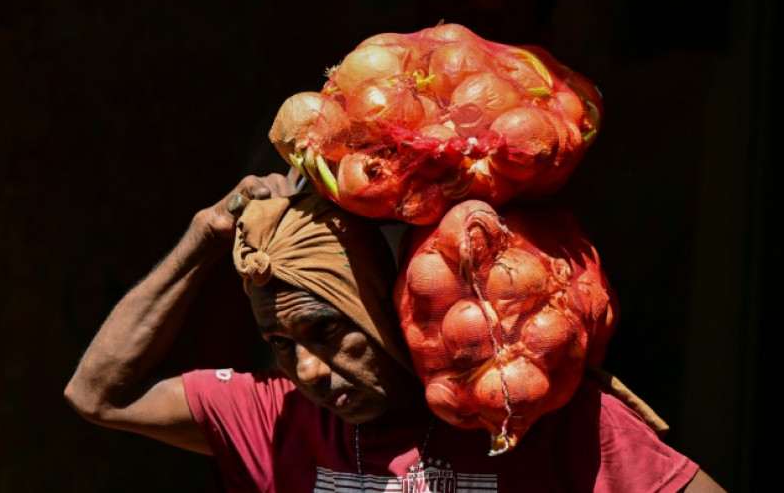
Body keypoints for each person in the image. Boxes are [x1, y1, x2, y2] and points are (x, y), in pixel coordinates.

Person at [64, 171, 726, 492]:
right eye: (282, 346)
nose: (311, 370)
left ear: (384, 306)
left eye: (326, 330)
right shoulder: (274, 418)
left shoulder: (534, 416)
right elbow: (98, 394)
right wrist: (202, 237)